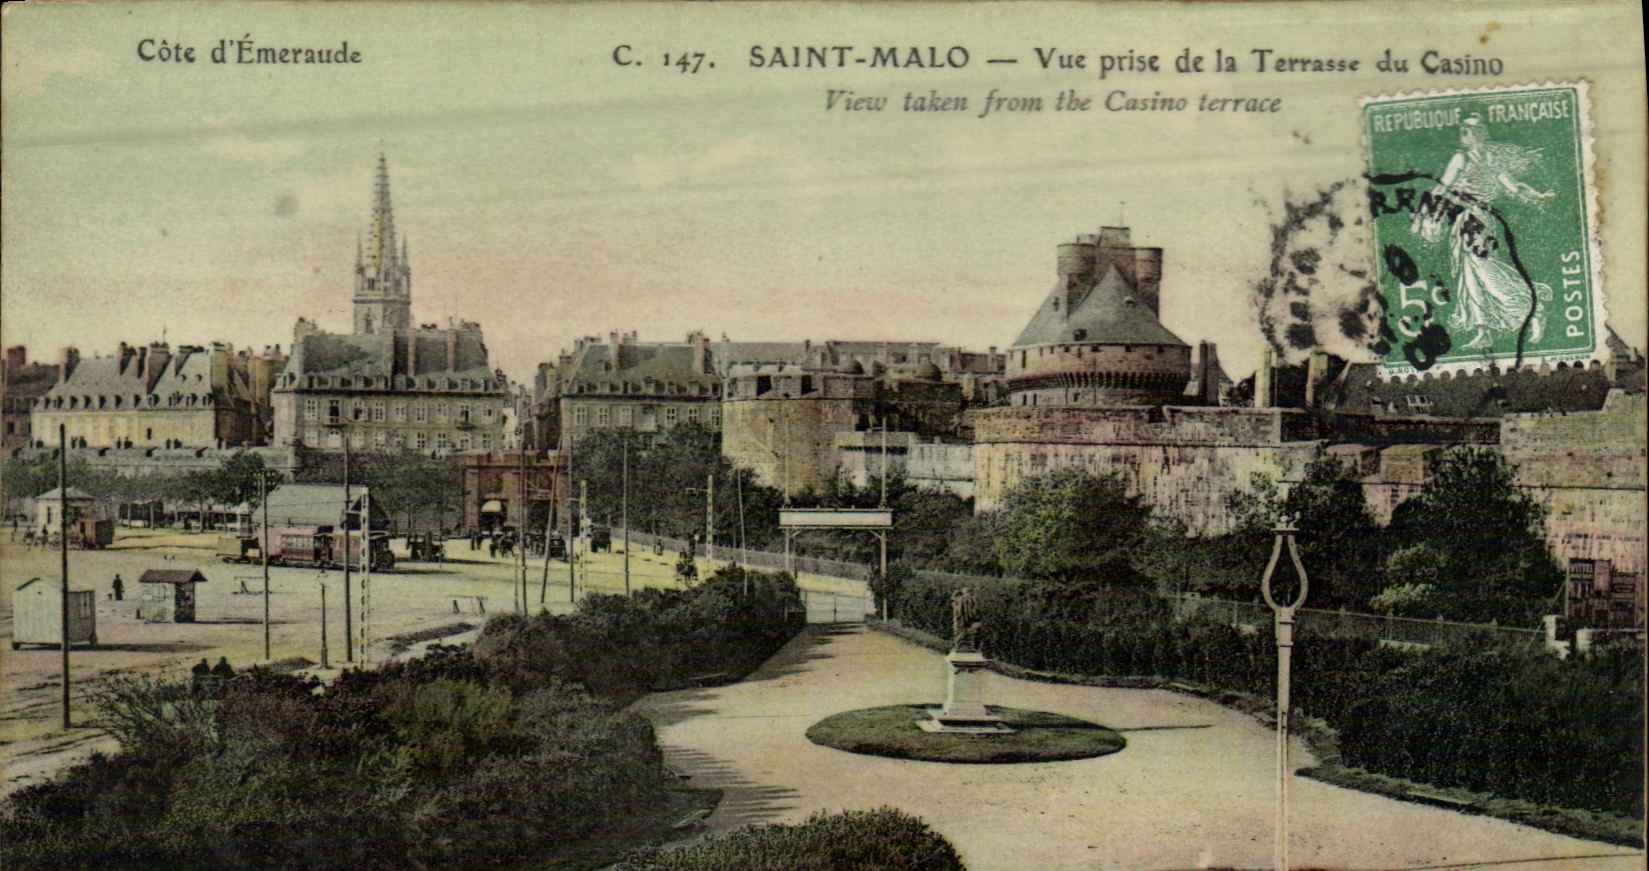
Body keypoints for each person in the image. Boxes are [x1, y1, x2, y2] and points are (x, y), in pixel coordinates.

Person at [1410, 114, 1555, 351]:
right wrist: (1538, 196)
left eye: (1470, 130)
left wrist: (1537, 196)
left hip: (1476, 221)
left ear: (1481, 133)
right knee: (1469, 276)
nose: (1465, 133)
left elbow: (1443, 189)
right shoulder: (1477, 159)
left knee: (1484, 270)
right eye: (1463, 129)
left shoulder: (1469, 159)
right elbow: (1444, 189)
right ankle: (1483, 330)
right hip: (1471, 220)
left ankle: (1533, 309)